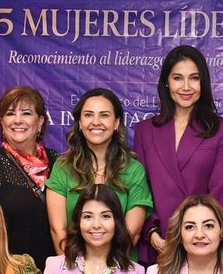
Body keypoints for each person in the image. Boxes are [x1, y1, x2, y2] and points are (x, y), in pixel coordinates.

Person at [133, 45, 223, 263]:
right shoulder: (145, 130)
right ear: (166, 82)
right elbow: (140, 191)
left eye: (194, 78)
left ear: (204, 83)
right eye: (178, 78)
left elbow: (219, 193)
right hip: (157, 245)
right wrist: (152, 234)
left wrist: (195, 233)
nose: (186, 86)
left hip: (201, 244)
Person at [46, 88, 152, 256]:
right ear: (80, 123)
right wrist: (74, 273)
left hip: (120, 269)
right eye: (88, 115)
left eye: (104, 115)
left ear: (116, 123)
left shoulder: (134, 169)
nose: (96, 122)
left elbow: (132, 233)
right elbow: (58, 230)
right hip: (72, 269)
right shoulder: (62, 167)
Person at [0, 86, 60, 264]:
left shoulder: (60, 163)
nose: (17, 120)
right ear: (2, 122)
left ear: (40, 122)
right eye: (10, 114)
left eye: (26, 113)